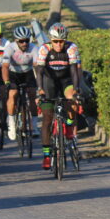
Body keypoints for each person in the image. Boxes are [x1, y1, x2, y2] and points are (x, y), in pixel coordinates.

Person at [34, 23, 83, 170]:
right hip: (49, 82)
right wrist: (40, 89)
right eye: (55, 41)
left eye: (61, 41)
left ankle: (68, 125)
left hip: (66, 80)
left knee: (71, 100)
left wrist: (76, 89)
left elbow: (74, 71)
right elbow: (40, 71)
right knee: (48, 118)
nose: (59, 44)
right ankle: (47, 156)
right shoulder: (44, 49)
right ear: (51, 40)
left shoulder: (71, 48)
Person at [3, 25, 39, 144]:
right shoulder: (10, 48)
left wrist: (40, 83)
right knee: (13, 94)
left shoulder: (34, 48)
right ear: (16, 41)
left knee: (33, 94)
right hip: (13, 74)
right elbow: (5, 67)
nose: (24, 43)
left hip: (27, 73)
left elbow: (37, 67)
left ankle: (34, 126)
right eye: (21, 41)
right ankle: (12, 123)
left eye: (27, 40)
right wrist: (7, 82)